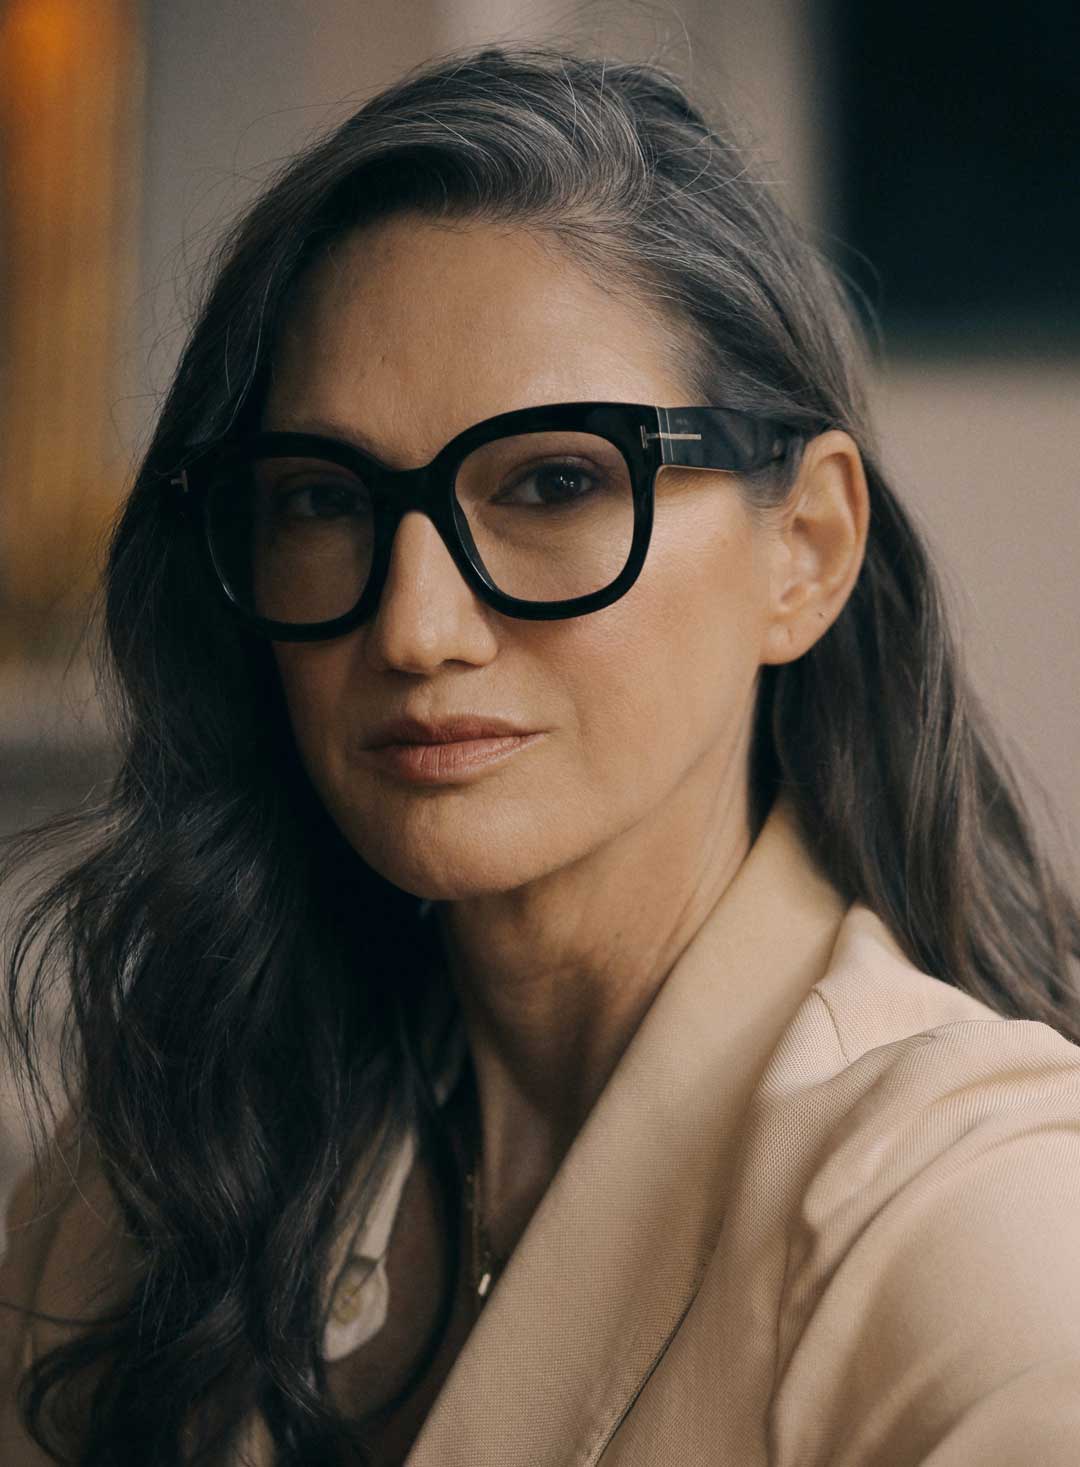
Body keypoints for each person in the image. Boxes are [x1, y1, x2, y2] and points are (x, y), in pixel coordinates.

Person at [2, 41, 1079, 1467]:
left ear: (803, 551)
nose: (414, 624)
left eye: (557, 481)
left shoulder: (964, 1221)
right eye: (325, 498)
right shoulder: (163, 1168)